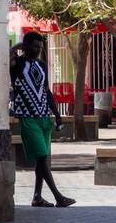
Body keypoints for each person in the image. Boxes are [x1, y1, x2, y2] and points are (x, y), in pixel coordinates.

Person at [10, 31, 75, 208]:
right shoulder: (18, 64)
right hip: (27, 117)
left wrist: (58, 115)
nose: (39, 50)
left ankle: (37, 197)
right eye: (35, 46)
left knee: (41, 159)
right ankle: (58, 196)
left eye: (40, 47)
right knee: (42, 156)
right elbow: (6, 59)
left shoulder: (41, 65)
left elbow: (46, 91)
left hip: (44, 117)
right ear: (26, 46)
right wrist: (16, 47)